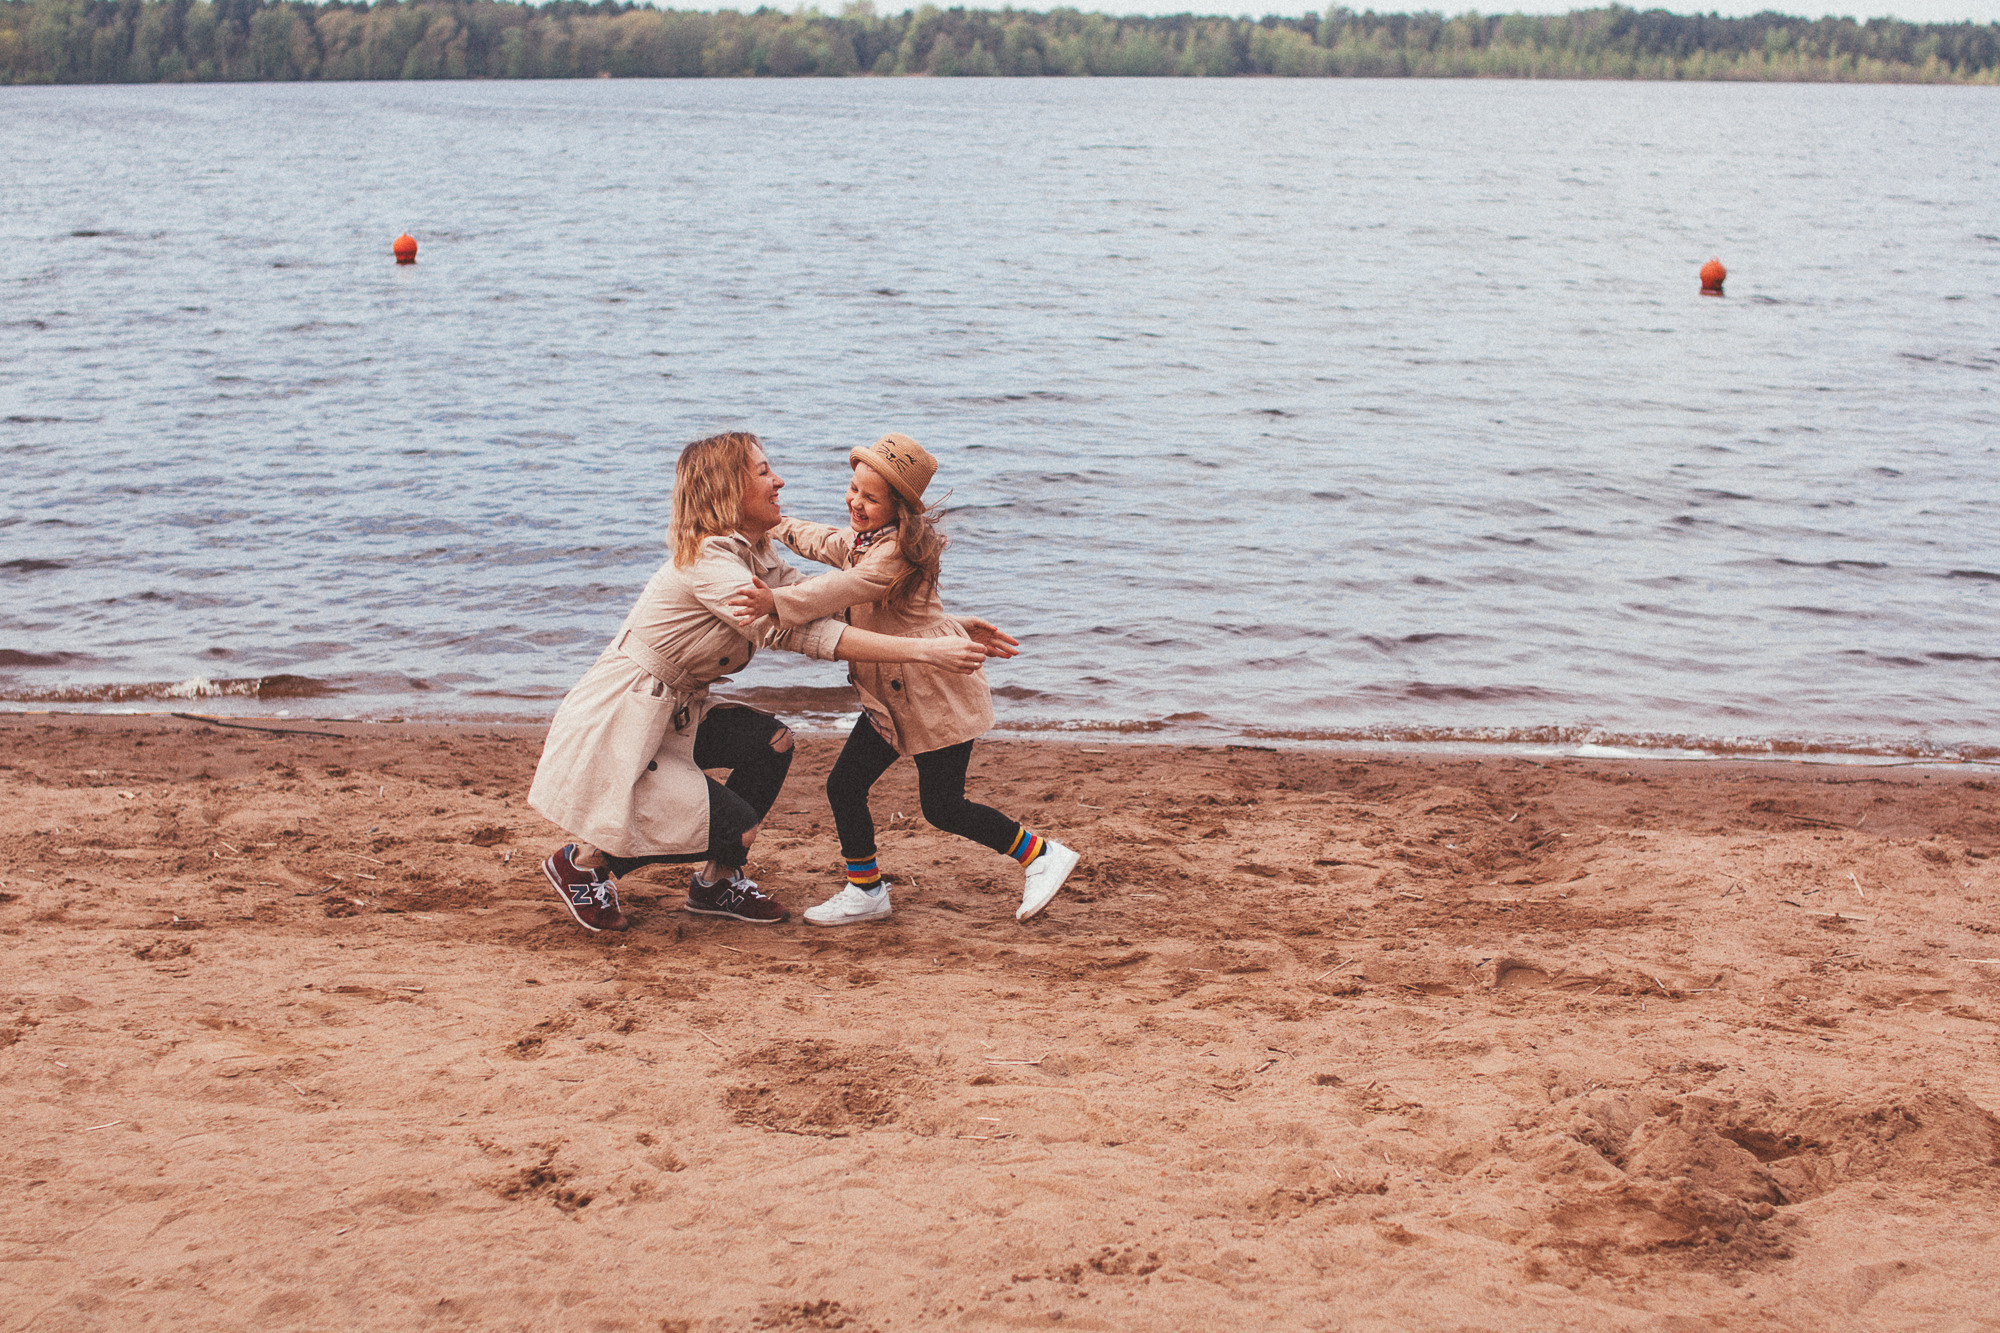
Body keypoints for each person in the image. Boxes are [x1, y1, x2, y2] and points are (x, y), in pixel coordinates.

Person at [527, 431, 993, 933]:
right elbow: (802, 632)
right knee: (737, 828)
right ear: (729, 491)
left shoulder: (754, 552)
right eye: (764, 472)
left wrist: (940, 627)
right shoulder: (709, 563)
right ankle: (584, 865)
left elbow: (827, 599)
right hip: (625, 714)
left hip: (676, 709)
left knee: (772, 744)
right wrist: (926, 651)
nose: (780, 480)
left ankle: (716, 884)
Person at [727, 432, 1079, 928]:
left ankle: (1041, 855)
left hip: (935, 691)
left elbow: (844, 587)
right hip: (891, 699)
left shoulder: (896, 553)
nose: (856, 503)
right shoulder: (868, 540)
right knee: (844, 785)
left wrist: (775, 603)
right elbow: (827, 543)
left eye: (871, 498)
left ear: (900, 508)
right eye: (853, 490)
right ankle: (866, 889)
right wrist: (776, 525)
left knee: (943, 806)